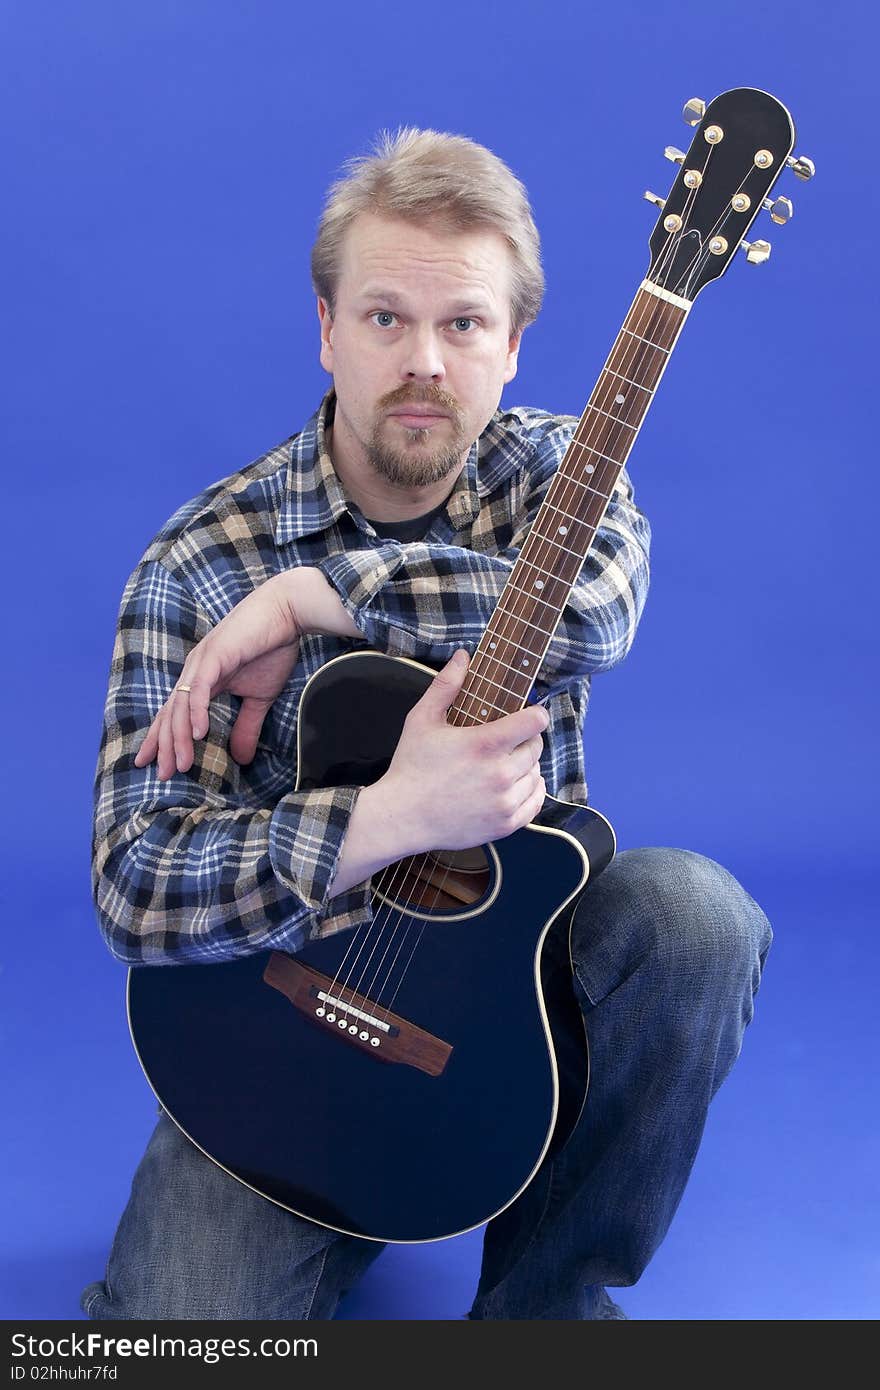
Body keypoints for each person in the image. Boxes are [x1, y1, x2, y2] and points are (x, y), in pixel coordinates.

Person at [82, 127, 772, 1321]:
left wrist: (325, 594)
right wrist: (387, 816)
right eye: (385, 318)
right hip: (274, 1029)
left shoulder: (564, 472)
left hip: (503, 979)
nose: (423, 362)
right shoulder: (202, 561)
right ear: (327, 330)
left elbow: (591, 613)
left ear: (511, 348)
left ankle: (542, 1316)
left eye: (462, 324)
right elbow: (136, 885)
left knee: (696, 917)